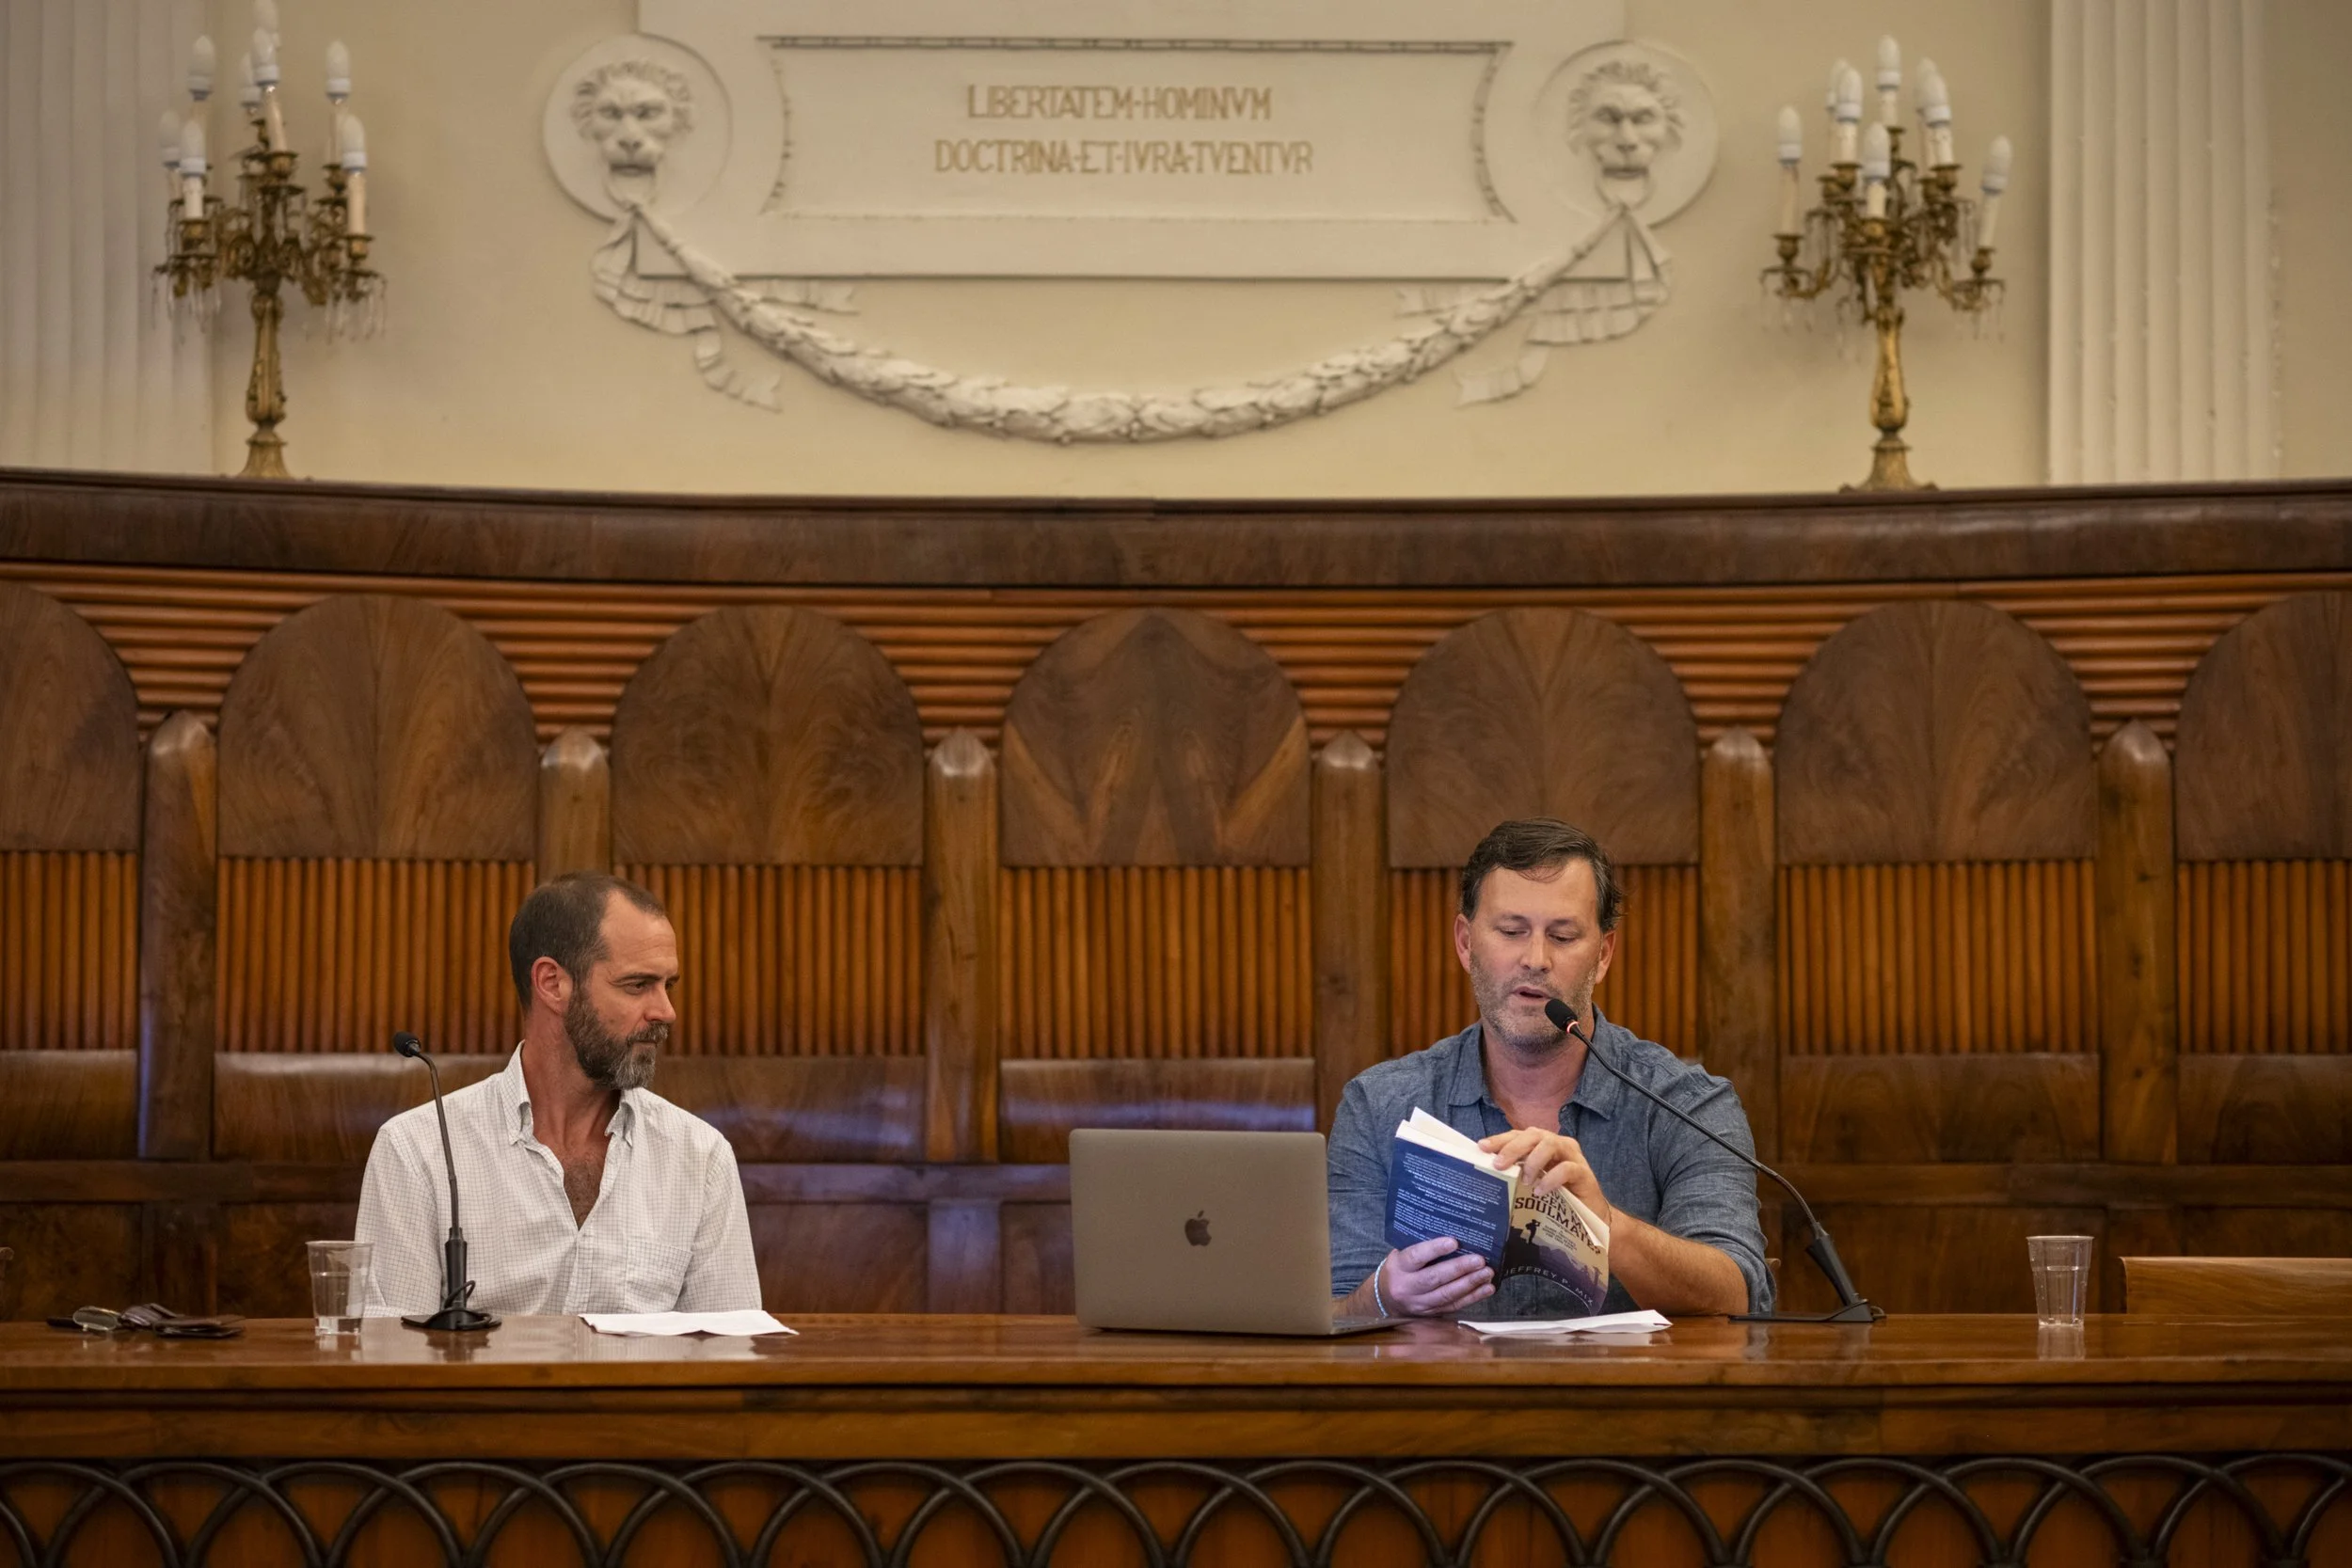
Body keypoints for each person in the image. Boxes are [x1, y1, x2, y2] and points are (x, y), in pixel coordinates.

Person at [1327, 818, 1770, 1320]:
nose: (1535, 959)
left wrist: (1604, 1225)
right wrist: (1385, 1296)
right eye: (1511, 931)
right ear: (1466, 943)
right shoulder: (1378, 1105)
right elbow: (1335, 1310)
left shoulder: (1688, 1105)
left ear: (1603, 955)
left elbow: (1739, 1293)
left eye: (1562, 936)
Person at [357, 872, 760, 1317]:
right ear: (552, 983)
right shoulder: (417, 1150)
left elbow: (727, 1347)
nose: (666, 1011)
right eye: (637, 985)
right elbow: (390, 1351)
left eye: (669, 985)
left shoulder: (700, 1157)